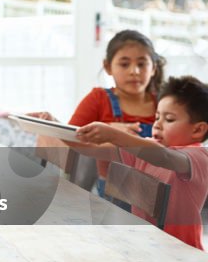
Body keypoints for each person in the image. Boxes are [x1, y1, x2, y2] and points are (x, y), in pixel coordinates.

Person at [72, 76, 208, 250]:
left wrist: (114, 134)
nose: (157, 124)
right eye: (157, 117)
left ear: (198, 130)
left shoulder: (198, 156)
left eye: (169, 119)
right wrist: (53, 125)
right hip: (144, 246)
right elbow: (89, 149)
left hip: (181, 252)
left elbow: (164, 157)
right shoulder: (149, 148)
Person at [28, 30, 165, 191]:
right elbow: (74, 138)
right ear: (108, 67)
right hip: (113, 192)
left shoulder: (165, 103)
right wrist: (52, 123)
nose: (134, 71)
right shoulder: (98, 99)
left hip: (160, 188)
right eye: (124, 64)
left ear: (154, 68)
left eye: (142, 64)